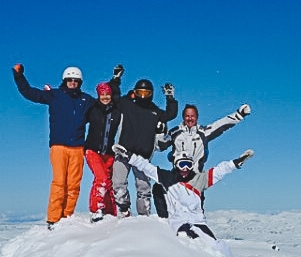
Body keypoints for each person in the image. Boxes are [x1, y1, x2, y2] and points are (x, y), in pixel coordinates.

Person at [12, 63, 121, 229]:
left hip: (78, 147)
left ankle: (66, 217)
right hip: (58, 146)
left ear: (80, 82)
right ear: (65, 80)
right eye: (70, 80)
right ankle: (54, 219)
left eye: (76, 81)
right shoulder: (55, 95)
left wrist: (115, 83)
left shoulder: (86, 100)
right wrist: (19, 76)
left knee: (74, 185)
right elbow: (29, 93)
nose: (73, 83)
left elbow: (104, 100)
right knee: (59, 182)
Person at [112, 143, 254, 257]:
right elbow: (146, 167)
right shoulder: (167, 178)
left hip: (198, 221)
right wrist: (128, 155)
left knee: (216, 246)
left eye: (188, 165)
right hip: (178, 221)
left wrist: (236, 163)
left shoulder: (200, 179)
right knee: (188, 241)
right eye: (182, 164)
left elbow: (219, 171)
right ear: (176, 165)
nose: (185, 169)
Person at [153, 103, 252, 218]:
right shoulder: (175, 132)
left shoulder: (203, 132)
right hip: (177, 175)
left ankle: (197, 230)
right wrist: (159, 133)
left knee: (196, 214)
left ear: (197, 117)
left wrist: (239, 114)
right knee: (158, 188)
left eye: (192, 116)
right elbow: (160, 146)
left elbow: (222, 124)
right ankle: (165, 221)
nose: (190, 118)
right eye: (187, 116)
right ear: (183, 117)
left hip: (196, 177)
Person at [112, 78, 178, 216]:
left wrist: (170, 98)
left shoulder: (154, 111)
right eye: (139, 92)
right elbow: (115, 98)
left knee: (143, 187)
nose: (142, 96)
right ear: (135, 92)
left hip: (143, 155)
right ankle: (124, 209)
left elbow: (170, 114)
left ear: (151, 94)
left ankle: (144, 216)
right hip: (123, 151)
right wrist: (117, 81)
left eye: (146, 93)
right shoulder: (127, 104)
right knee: (118, 183)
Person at [83, 73, 123, 223]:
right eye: (102, 94)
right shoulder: (92, 109)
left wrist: (116, 80)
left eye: (107, 94)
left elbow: (118, 95)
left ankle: (111, 211)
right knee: (101, 179)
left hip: (109, 152)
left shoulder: (116, 111)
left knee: (109, 181)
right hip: (92, 150)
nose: (105, 97)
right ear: (98, 95)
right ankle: (96, 210)